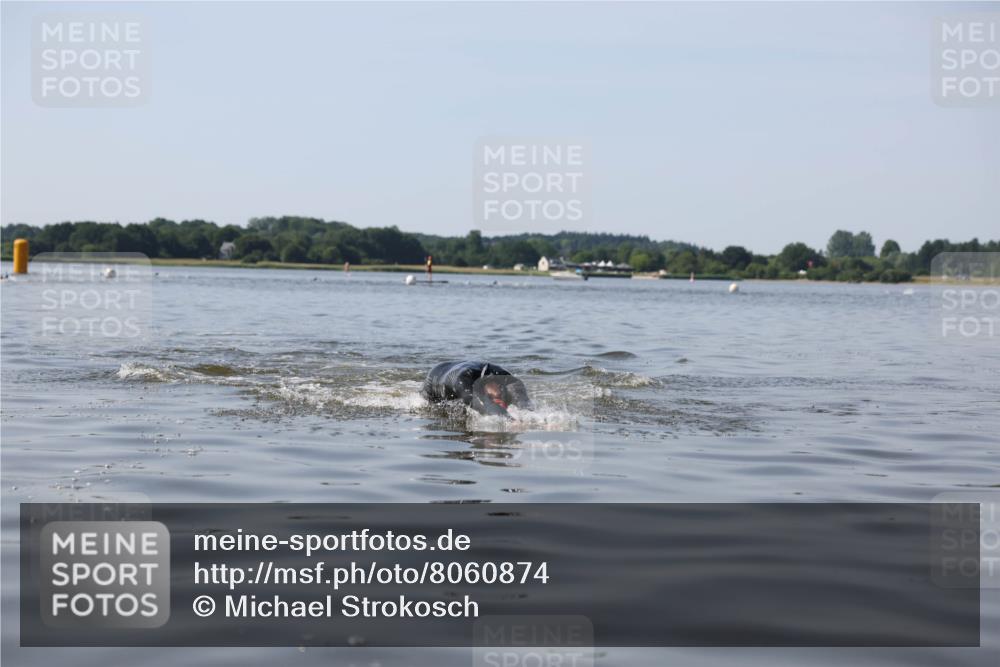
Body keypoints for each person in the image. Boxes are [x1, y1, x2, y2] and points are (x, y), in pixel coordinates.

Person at [422, 361, 533, 417]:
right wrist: (510, 419)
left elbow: (525, 404)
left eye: (500, 397)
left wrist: (529, 415)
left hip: (472, 367)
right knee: (439, 411)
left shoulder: (508, 379)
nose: (499, 402)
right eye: (492, 398)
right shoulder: (463, 382)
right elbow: (480, 404)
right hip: (436, 377)